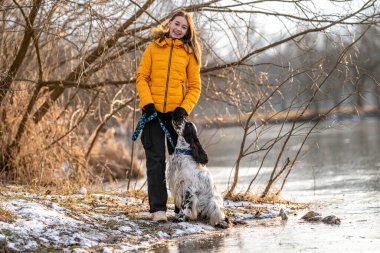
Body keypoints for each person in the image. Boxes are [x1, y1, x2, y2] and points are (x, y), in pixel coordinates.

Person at [136, 10, 202, 222]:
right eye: (177, 24)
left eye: (184, 27)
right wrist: (147, 103)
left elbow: (195, 87)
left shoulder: (189, 54)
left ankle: (182, 207)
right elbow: (142, 77)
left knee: (180, 162)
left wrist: (183, 109)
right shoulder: (153, 48)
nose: (179, 29)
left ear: (187, 32)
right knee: (155, 161)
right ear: (169, 23)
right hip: (152, 114)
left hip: (176, 117)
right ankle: (158, 210)